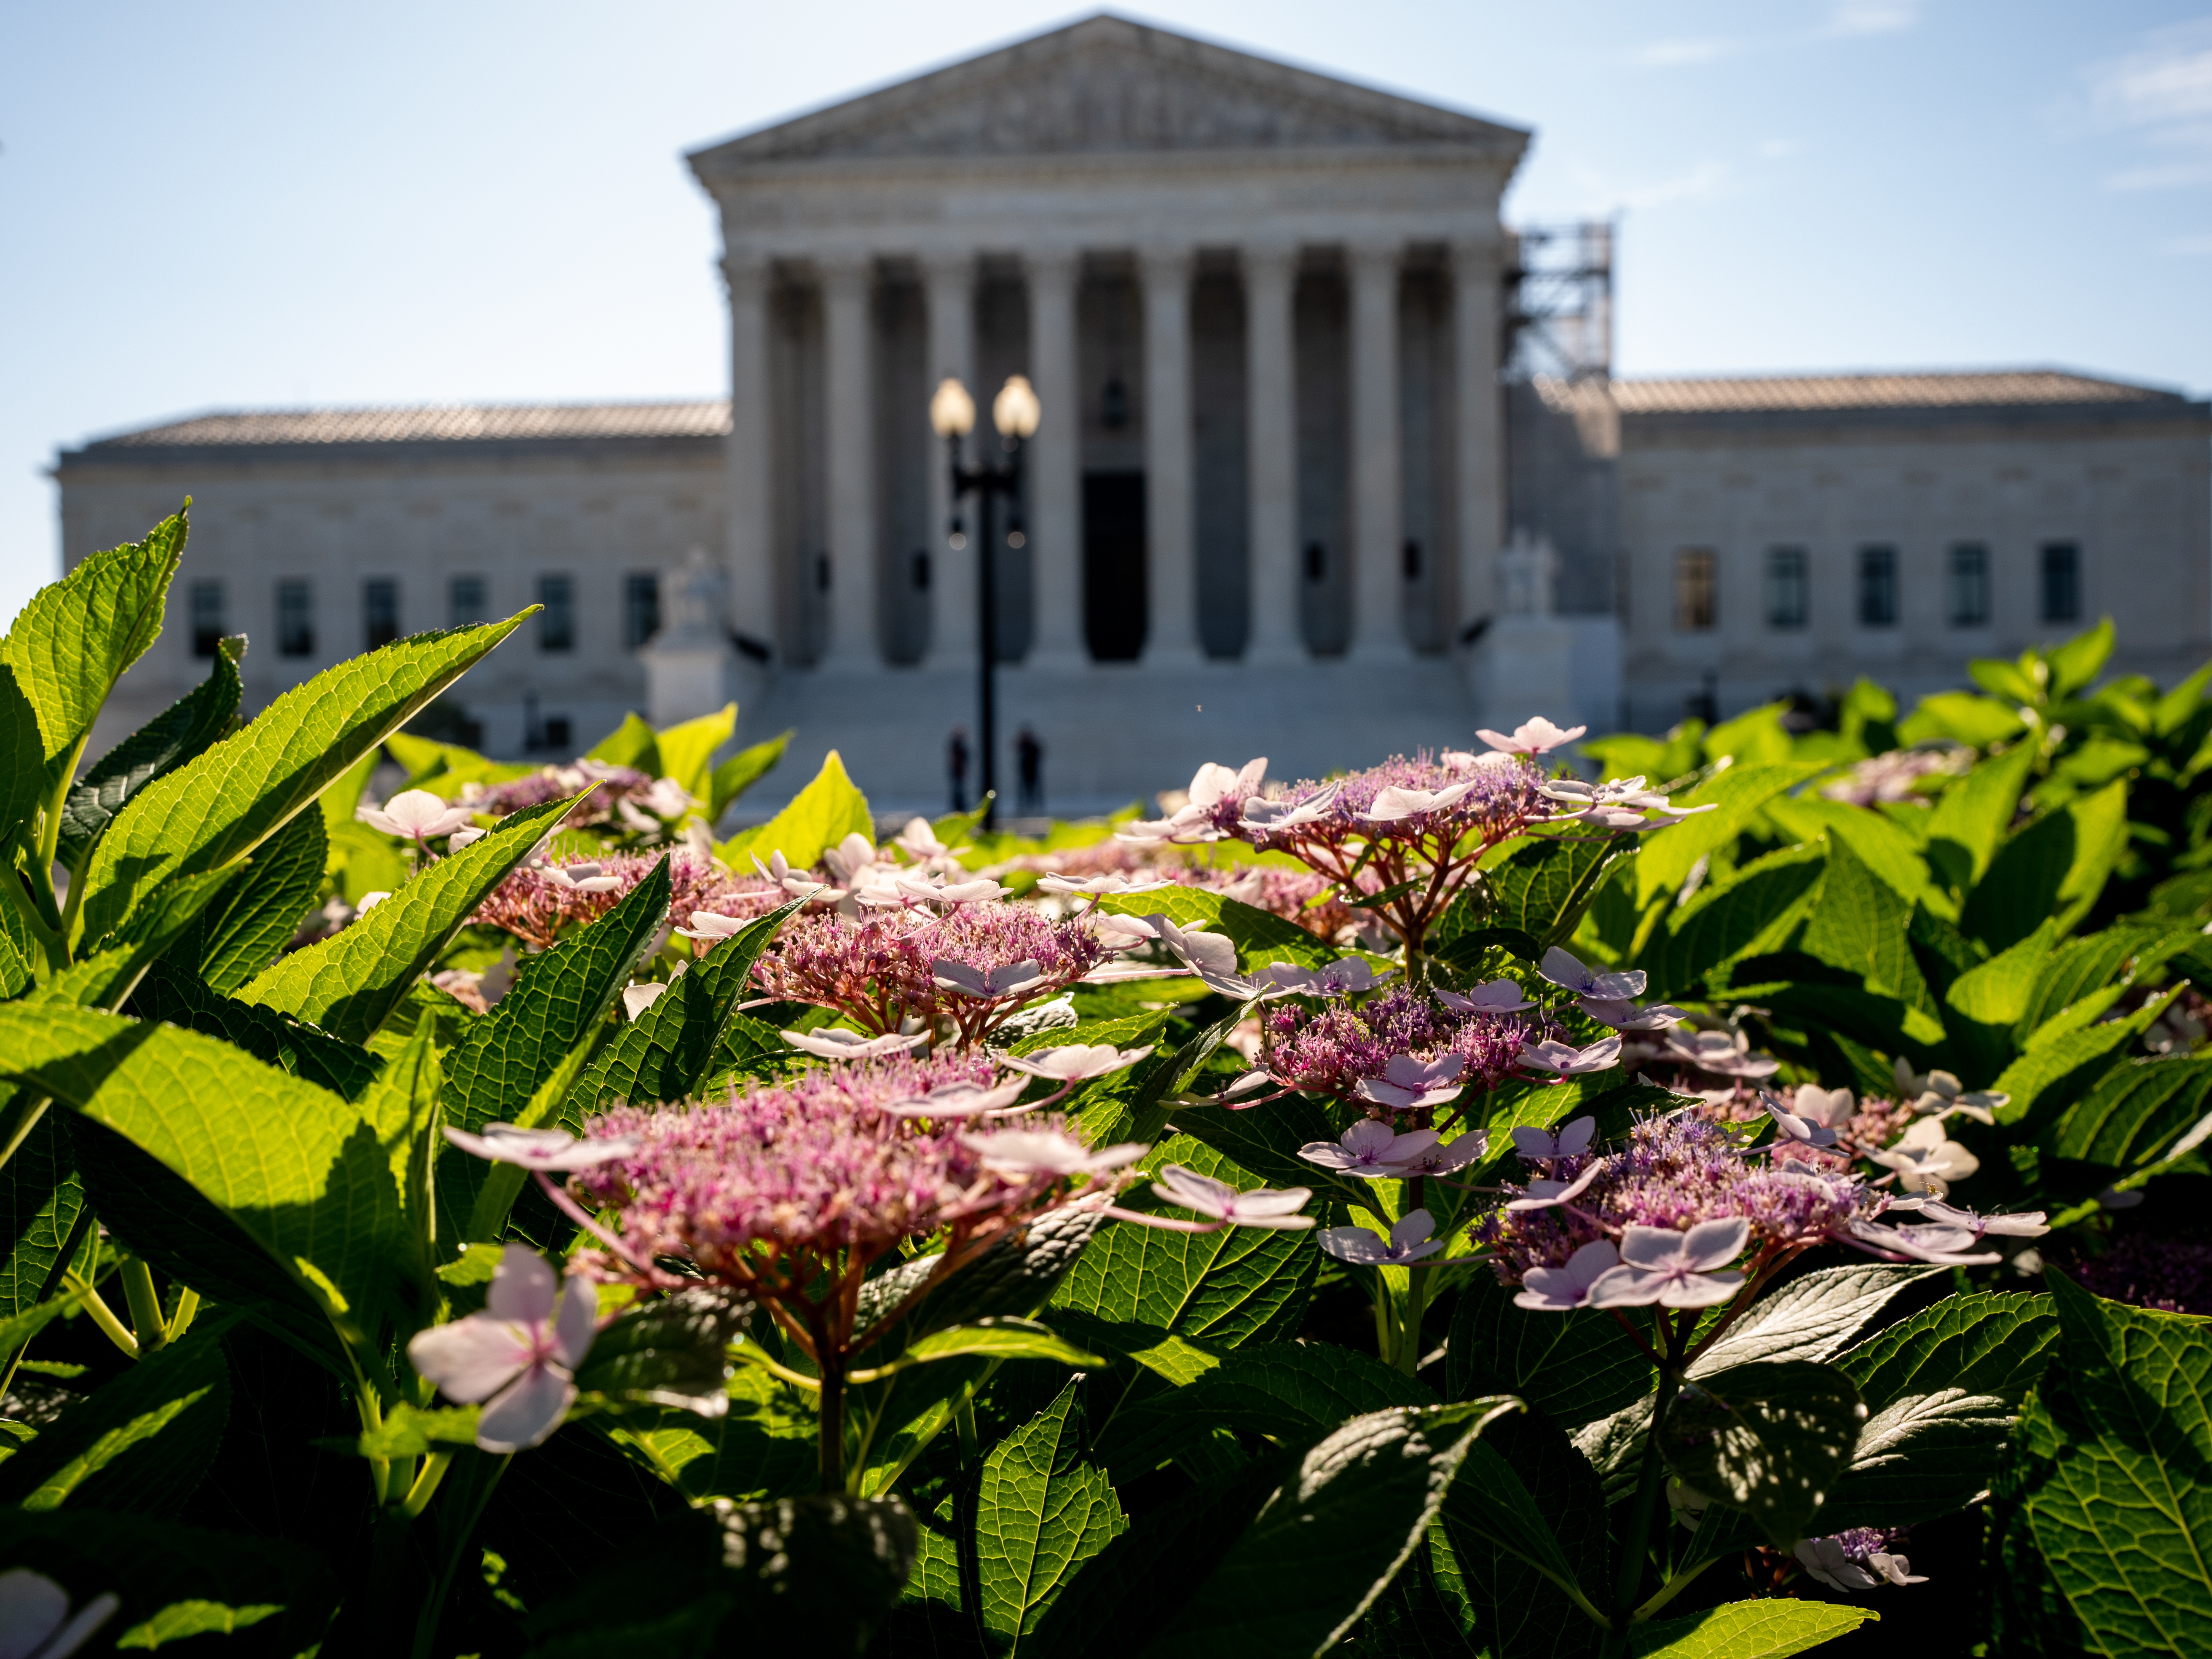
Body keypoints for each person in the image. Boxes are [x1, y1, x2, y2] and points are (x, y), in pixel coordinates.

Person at [1016, 726, 1043, 816]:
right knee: (1024, 790)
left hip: (1033, 771)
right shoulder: (1023, 746)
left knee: (1034, 789)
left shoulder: (1034, 746)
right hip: (1025, 771)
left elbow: (1040, 754)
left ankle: (1034, 804)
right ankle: (1025, 805)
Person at [947, 726, 970, 814]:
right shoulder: (955, 746)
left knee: (959, 790)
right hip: (957, 772)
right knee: (957, 790)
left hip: (959, 772)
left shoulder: (960, 746)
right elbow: (954, 760)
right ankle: (958, 808)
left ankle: (960, 807)